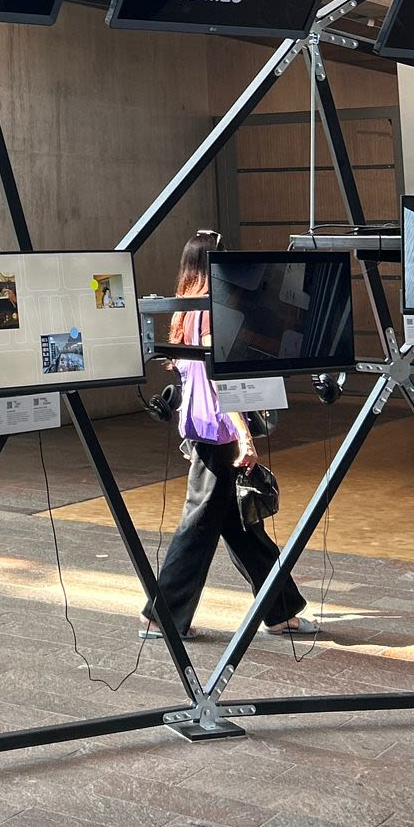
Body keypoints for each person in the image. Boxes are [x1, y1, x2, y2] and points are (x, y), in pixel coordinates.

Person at [147, 229, 311, 640]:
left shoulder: (185, 309)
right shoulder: (212, 311)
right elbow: (223, 381)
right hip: (220, 434)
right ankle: (161, 618)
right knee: (200, 527)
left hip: (203, 431)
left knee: (241, 527)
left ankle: (282, 610)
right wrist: (245, 437)